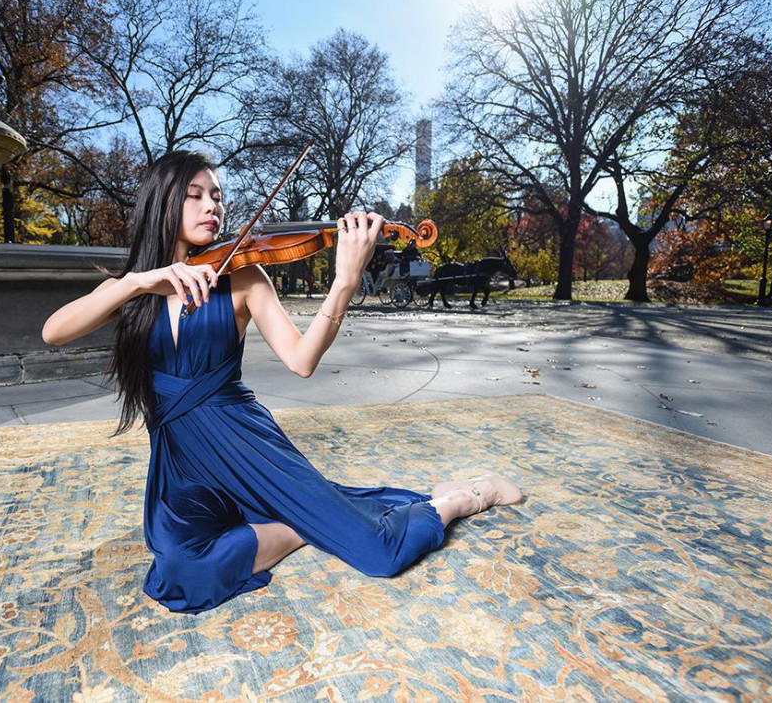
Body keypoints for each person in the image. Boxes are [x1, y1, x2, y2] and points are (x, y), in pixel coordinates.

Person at [42, 151, 522, 613]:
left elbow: (301, 360)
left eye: (217, 195)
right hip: (182, 467)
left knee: (379, 553)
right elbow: (53, 332)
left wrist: (345, 281)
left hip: (247, 445)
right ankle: (302, 521)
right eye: (195, 195)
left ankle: (465, 496)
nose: (212, 206)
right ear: (161, 202)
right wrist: (135, 282)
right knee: (180, 571)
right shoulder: (130, 289)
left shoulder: (243, 276)